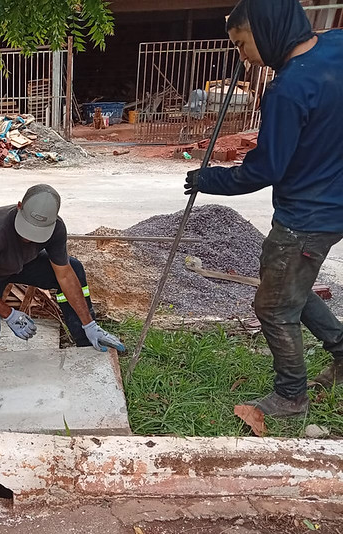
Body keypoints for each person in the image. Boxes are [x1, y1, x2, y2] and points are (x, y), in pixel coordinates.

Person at [184, 0, 343, 417]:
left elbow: (264, 169)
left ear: (266, 30)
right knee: (291, 290)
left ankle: (291, 396)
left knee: (273, 306)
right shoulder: (337, 46)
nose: (243, 57)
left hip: (305, 217)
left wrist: (209, 179)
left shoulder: (289, 88)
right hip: (334, 204)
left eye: (241, 43)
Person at [0, 184, 125, 354]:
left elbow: (65, 275)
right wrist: (9, 314)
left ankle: (86, 336)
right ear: (19, 206)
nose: (29, 238)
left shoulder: (56, 227)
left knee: (74, 268)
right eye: (27, 229)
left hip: (20, 264)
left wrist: (89, 324)